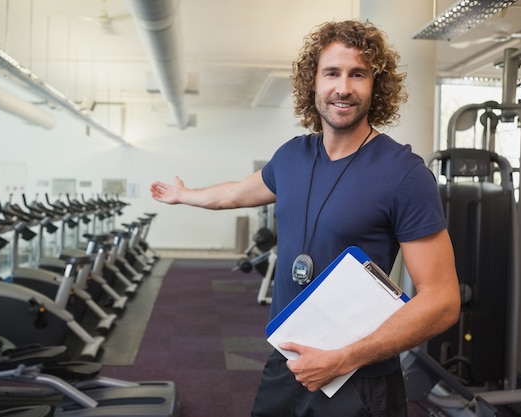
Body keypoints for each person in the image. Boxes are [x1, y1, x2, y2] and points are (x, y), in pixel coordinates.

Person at [150, 19, 460, 417]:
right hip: (288, 364)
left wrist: (346, 357)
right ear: (312, 81)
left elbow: (443, 300)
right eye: (331, 72)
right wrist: (184, 195)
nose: (343, 87)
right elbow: (233, 194)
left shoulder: (404, 173)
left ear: (375, 85)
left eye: (358, 74)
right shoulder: (292, 156)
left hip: (359, 379)